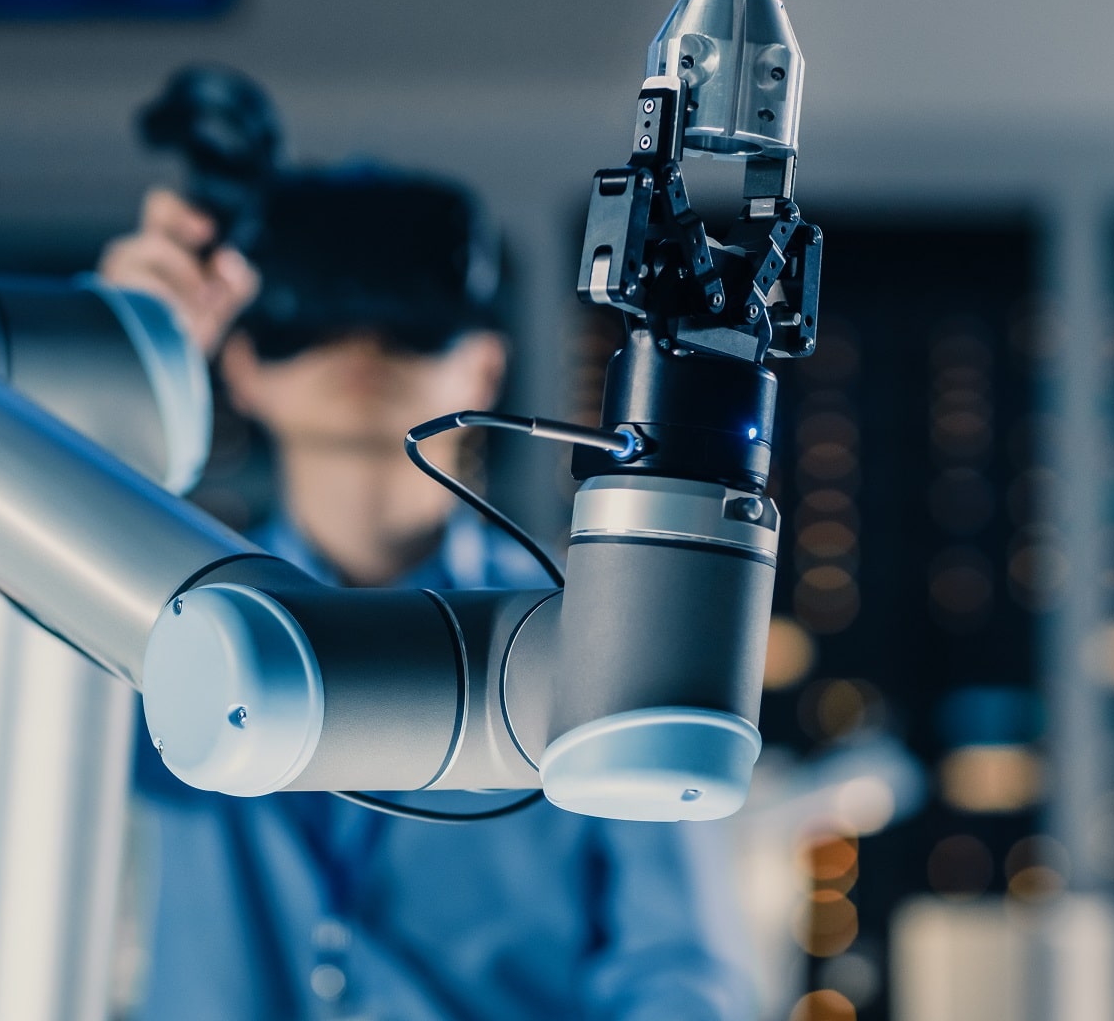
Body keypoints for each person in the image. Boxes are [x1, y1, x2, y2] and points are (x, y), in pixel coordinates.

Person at [98, 166, 754, 1020]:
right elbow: (31, 723)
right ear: (241, 366)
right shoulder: (148, 621)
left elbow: (679, 968)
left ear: (487, 367)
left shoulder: (591, 638)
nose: (362, 343)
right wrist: (112, 372)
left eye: (409, 320)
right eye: (315, 318)